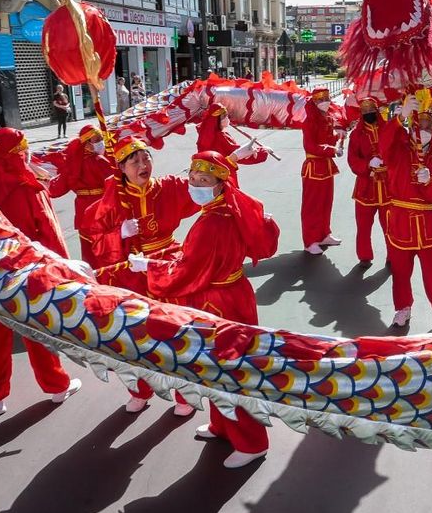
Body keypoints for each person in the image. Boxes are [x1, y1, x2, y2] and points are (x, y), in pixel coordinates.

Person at [130, 150, 279, 468]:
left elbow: (188, 272)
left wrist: (151, 268)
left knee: (230, 371)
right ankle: (222, 426)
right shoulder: (222, 210)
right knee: (213, 368)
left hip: (220, 302)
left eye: (204, 180)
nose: (195, 184)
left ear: (220, 183)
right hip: (226, 295)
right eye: (193, 178)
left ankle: (252, 442)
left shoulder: (213, 222)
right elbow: (193, 260)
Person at [76, 136, 199, 413]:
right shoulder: (111, 200)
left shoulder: (168, 186)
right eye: (134, 161)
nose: (143, 165)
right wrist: (118, 234)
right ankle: (139, 389)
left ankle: (184, 394)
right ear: (121, 167)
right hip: (130, 271)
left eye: (146, 158)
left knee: (175, 329)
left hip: (166, 263)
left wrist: (232, 160)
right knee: (133, 333)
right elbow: (95, 241)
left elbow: (202, 186)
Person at [0, 127, 83, 415]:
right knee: (37, 330)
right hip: (27, 272)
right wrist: (64, 270)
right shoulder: (28, 187)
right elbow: (49, 234)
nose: (28, 152)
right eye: (23, 148)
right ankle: (56, 386)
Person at [381, 96, 432, 330]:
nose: (423, 129)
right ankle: (402, 308)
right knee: (400, 271)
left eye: (428, 124)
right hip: (400, 221)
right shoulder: (398, 150)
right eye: (420, 124)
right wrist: (400, 116)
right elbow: (384, 142)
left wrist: (430, 182)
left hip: (427, 222)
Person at [48, 126, 118, 266]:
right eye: (97, 140)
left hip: (81, 209)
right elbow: (115, 185)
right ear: (86, 143)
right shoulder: (99, 161)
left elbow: (58, 189)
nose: (100, 142)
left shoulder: (73, 162)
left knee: (88, 249)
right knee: (105, 245)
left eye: (101, 139)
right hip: (100, 206)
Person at [347, 97, 390, 263]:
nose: (368, 113)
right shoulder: (357, 134)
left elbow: (399, 150)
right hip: (366, 187)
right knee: (363, 226)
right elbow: (352, 160)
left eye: (371, 110)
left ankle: (393, 256)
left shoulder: (387, 129)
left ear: (377, 110)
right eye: (364, 111)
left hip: (388, 187)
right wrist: (367, 164)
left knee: (390, 226)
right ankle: (364, 256)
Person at [301, 87, 344, 254]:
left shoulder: (326, 118)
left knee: (326, 203)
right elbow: (310, 146)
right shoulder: (309, 121)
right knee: (312, 206)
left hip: (326, 168)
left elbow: (327, 139)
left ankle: (324, 233)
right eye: (320, 99)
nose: (325, 102)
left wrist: (338, 136)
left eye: (326, 98)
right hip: (314, 167)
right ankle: (310, 240)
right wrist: (331, 150)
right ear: (314, 102)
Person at [196, 103, 271, 178]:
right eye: (224, 116)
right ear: (217, 119)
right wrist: (263, 151)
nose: (227, 118)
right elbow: (241, 154)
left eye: (227, 115)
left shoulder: (204, 132)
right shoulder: (221, 137)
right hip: (221, 174)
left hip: (204, 173)